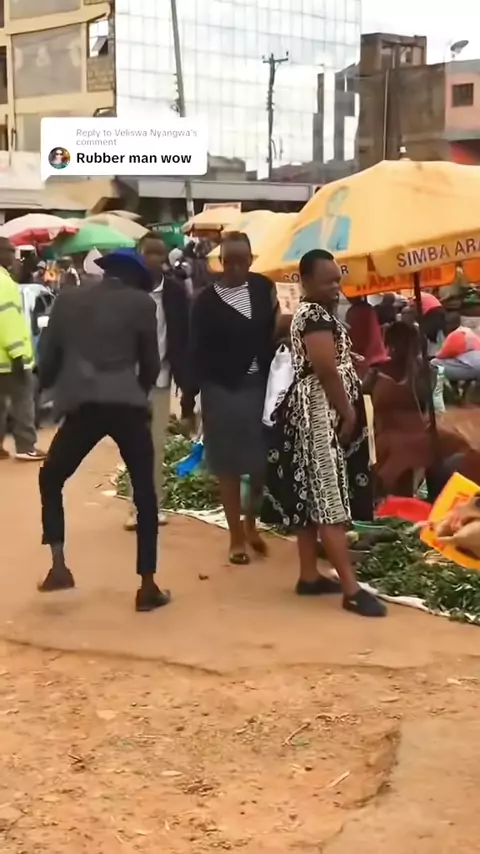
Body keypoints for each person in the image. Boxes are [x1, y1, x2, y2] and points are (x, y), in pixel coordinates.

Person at [37, 248, 170, 612]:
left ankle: (59, 566)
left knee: (52, 477)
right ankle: (147, 586)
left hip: (82, 406)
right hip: (127, 405)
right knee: (144, 493)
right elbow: (150, 363)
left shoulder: (68, 299)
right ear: (137, 279)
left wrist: (48, 391)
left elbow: (48, 359)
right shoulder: (142, 304)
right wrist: (137, 393)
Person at [261, 249, 386, 618]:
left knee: (308, 495)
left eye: (337, 279)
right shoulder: (314, 316)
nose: (335, 286)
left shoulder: (313, 313)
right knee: (328, 497)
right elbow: (325, 369)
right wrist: (347, 411)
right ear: (306, 281)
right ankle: (351, 590)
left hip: (314, 411)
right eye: (328, 280)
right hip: (319, 415)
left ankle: (309, 575)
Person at [189, 231, 279, 564]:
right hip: (221, 389)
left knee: (259, 465)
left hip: (260, 387)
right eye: (229, 261)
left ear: (251, 260)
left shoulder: (263, 289)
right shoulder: (205, 301)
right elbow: (196, 350)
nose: (236, 267)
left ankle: (251, 523)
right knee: (227, 465)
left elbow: (273, 332)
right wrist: (190, 400)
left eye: (242, 260)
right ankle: (235, 537)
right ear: (220, 262)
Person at [124, 233, 194, 531]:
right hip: (129, 381)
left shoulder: (175, 293)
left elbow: (185, 337)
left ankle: (152, 504)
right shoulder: (127, 291)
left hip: (162, 380)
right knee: (133, 444)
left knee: (155, 446)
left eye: (158, 253)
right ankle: (135, 506)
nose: (153, 259)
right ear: (139, 256)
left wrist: (188, 389)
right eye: (148, 253)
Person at [364, 321, 468, 497]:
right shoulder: (376, 372)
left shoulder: (426, 372)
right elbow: (360, 399)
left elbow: (436, 406)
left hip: (414, 442)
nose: (402, 349)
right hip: (385, 442)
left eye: (408, 343)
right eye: (399, 343)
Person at [0, 238, 45, 461]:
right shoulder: (4, 283)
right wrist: (18, 354)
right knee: (23, 401)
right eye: (10, 251)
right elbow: (7, 320)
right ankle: (26, 446)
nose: (14, 257)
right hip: (9, 358)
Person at [345, 297, 387, 377]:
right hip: (378, 354)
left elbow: (353, 334)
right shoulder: (370, 309)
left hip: (364, 358)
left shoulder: (353, 311)